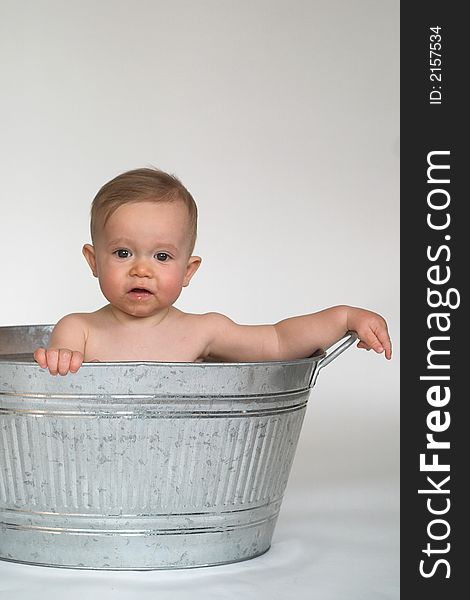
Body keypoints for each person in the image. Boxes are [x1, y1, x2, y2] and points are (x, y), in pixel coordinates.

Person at [33, 168, 392, 375]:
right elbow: (56, 380)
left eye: (161, 256)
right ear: (94, 261)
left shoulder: (202, 331)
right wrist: (60, 359)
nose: (141, 270)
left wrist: (343, 317)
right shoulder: (78, 329)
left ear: (188, 270)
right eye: (123, 252)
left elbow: (278, 341)